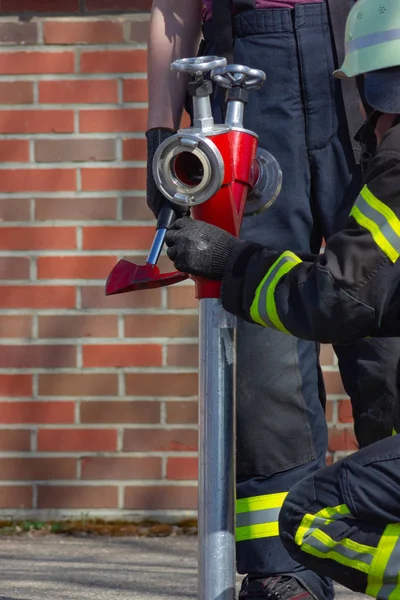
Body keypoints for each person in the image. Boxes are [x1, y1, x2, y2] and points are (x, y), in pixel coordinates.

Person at [146, 0, 400, 598]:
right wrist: (160, 130)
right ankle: (286, 569)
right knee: (264, 336)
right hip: (247, 70)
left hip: (368, 52)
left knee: (387, 319)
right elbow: (172, 8)